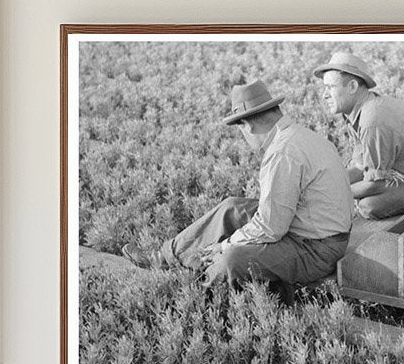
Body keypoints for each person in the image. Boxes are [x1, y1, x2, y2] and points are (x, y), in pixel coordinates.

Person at [123, 80, 352, 289]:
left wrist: (225, 245)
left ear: (247, 126)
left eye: (240, 129)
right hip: (313, 230)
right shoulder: (300, 136)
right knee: (231, 208)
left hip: (317, 250)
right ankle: (165, 259)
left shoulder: (283, 152)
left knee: (232, 260)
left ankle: (195, 293)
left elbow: (271, 228)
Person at [313, 51, 404, 220]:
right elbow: (359, 166)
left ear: (352, 87)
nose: (324, 95)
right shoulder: (358, 111)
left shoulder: (372, 119)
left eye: (331, 87)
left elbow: (374, 184)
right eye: (324, 88)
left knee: (367, 206)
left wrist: (331, 196)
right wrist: (326, 185)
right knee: (345, 193)